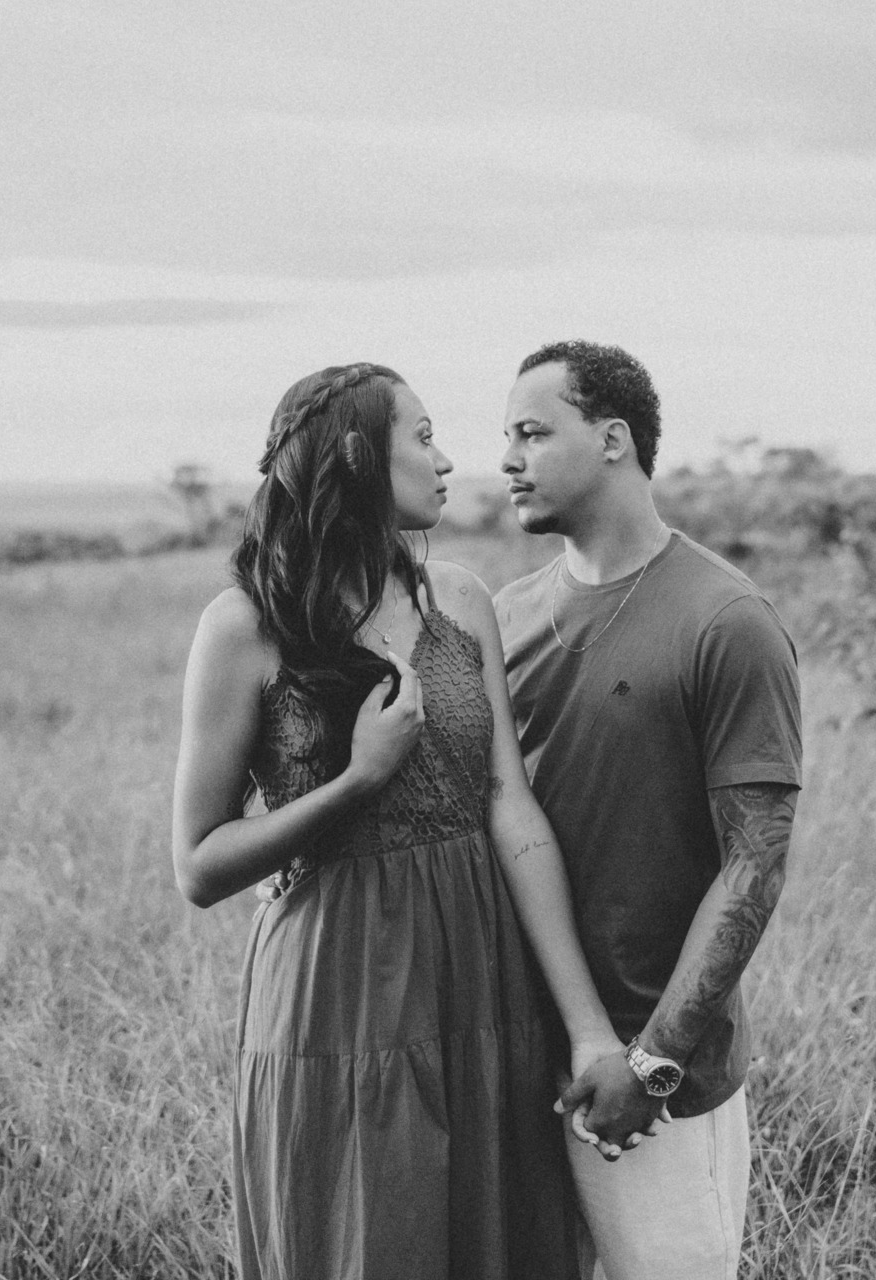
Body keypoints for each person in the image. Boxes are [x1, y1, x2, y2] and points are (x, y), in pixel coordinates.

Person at [171, 362, 633, 1280]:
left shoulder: (457, 598)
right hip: (338, 987)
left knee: (491, 1237)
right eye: (422, 438)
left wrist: (587, 1028)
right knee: (371, 1236)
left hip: (479, 968)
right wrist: (357, 780)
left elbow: (510, 806)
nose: (448, 460)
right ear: (356, 458)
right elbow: (199, 865)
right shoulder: (243, 626)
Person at [495, 341, 802, 1280]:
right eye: (507, 437)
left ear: (613, 439)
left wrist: (654, 1062)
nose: (507, 459)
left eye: (532, 432)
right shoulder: (501, 618)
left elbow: (754, 862)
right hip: (513, 1054)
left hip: (649, 1082)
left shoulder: (725, 620)